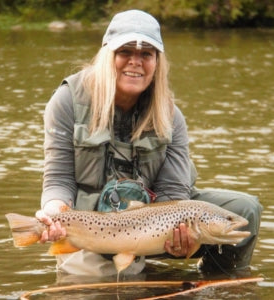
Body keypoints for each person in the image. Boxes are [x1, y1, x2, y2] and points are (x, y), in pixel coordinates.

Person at [36, 9, 262, 276]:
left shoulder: (170, 115)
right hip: (94, 226)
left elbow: (173, 193)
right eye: (125, 52)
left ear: (157, 62)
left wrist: (181, 239)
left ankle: (222, 284)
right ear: (108, 55)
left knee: (245, 210)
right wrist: (53, 214)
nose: (135, 62)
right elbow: (59, 180)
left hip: (153, 224)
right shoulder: (68, 102)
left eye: (146, 54)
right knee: (108, 285)